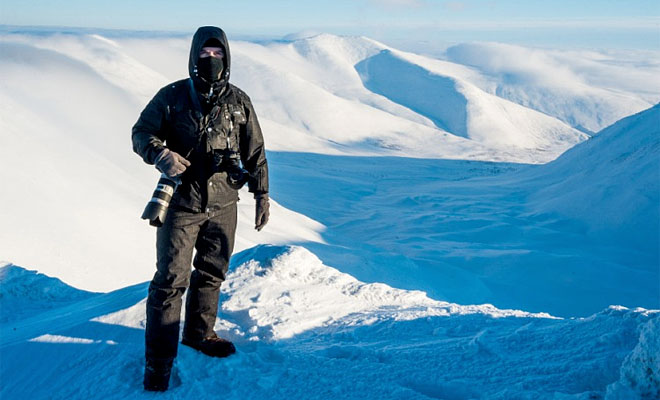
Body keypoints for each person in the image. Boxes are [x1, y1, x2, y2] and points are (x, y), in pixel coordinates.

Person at [131, 26, 269, 392]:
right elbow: (141, 133)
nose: (211, 60)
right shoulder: (172, 97)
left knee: (211, 273)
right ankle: (159, 360)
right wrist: (161, 154)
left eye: (217, 54)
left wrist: (262, 195)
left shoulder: (239, 101)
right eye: (205, 54)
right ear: (193, 56)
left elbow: (256, 151)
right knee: (170, 281)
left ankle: (199, 334)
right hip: (182, 203)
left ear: (227, 57)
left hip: (225, 203)